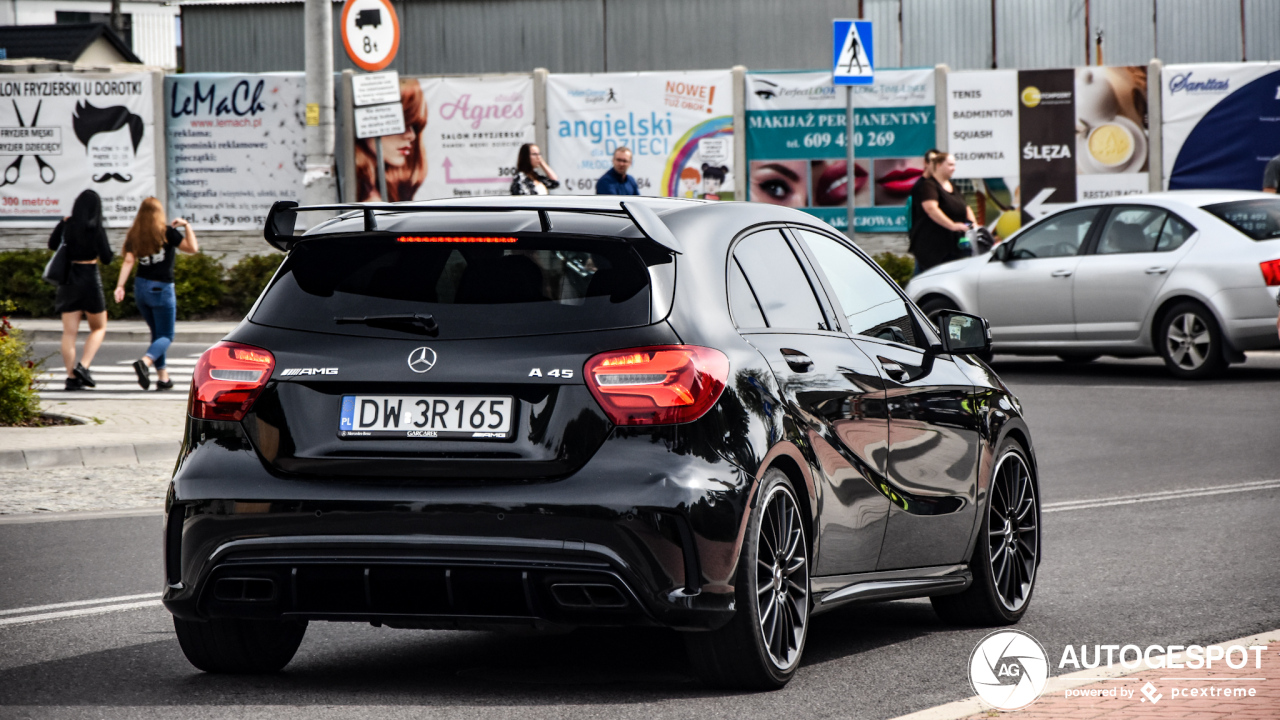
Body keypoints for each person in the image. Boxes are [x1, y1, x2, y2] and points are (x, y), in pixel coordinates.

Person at [113, 197, 199, 391]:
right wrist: (187, 226)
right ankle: (145, 362)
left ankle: (163, 378)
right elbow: (192, 248)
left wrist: (120, 286)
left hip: (141, 288)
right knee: (167, 335)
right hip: (161, 288)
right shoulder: (167, 232)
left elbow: (128, 262)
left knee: (157, 334)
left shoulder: (134, 234)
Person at [48, 190, 112, 391]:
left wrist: (62, 223)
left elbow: (52, 244)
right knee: (99, 327)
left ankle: (70, 377)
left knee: (69, 332)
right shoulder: (96, 229)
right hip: (90, 277)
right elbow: (108, 257)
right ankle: (83, 366)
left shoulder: (68, 224)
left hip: (69, 279)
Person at [356, 80, 427, 201]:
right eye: (401, 124)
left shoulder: (385, 189)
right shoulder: (366, 196)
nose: (411, 136)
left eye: (414, 126)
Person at [909, 151, 977, 274]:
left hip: (954, 247)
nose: (953, 168)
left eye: (954, 165)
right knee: (929, 281)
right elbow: (931, 209)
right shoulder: (928, 186)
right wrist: (952, 225)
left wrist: (974, 225)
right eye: (950, 165)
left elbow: (966, 208)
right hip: (933, 249)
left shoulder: (953, 186)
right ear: (939, 165)